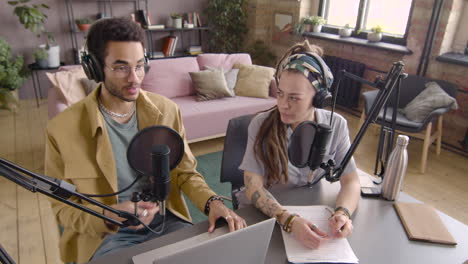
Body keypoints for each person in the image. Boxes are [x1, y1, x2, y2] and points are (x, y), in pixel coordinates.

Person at [45, 17, 246, 263]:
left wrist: (212, 202)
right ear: (95, 68)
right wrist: (108, 215)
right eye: (121, 67)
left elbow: (185, 173)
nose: (134, 78)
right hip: (106, 235)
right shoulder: (62, 129)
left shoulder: (167, 110)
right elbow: (63, 209)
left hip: (166, 221)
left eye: (139, 65)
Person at [237, 40, 360, 249]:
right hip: (265, 216)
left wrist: (343, 213)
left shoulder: (336, 125)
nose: (283, 105)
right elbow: (253, 187)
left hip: (310, 206)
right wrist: (289, 221)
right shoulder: (260, 125)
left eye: (294, 98)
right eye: (280, 94)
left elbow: (351, 182)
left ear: (320, 99)